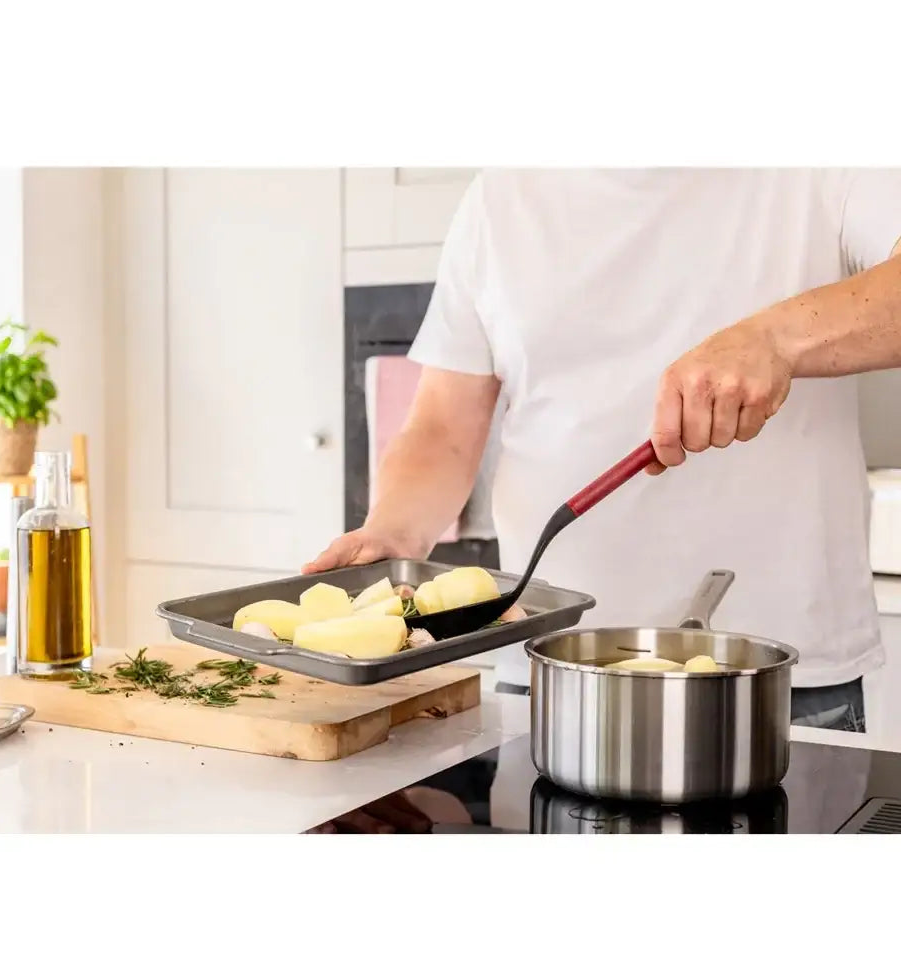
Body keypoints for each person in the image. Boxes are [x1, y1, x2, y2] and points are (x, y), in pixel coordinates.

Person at [306, 169, 901, 734]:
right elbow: (442, 426)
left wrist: (775, 337)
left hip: (777, 683)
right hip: (546, 677)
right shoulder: (499, 198)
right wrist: (395, 532)